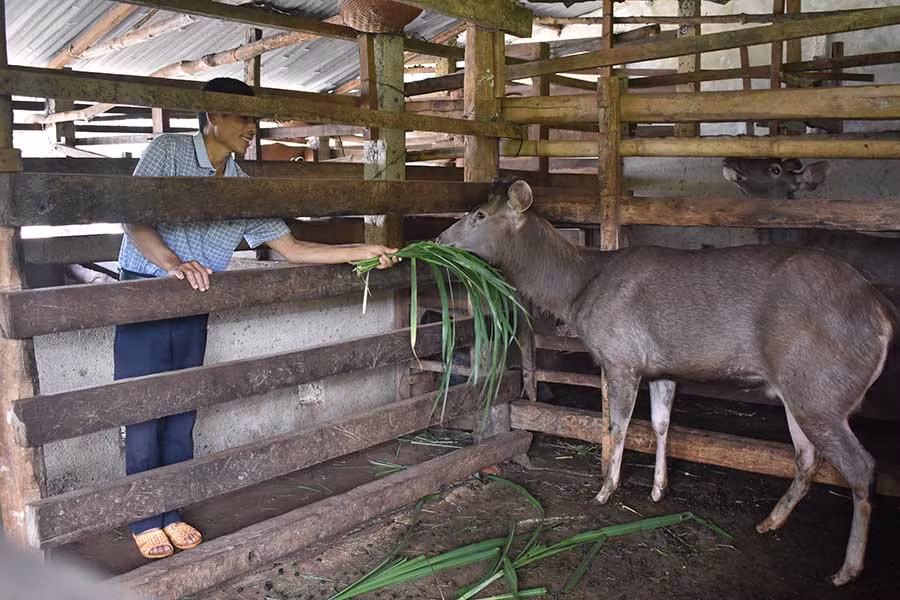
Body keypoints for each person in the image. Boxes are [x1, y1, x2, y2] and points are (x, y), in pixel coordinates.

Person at [117, 77, 398, 560]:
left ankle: (171, 509)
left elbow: (291, 248)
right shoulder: (169, 151)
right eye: (243, 118)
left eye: (254, 120)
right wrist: (171, 263)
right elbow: (134, 216)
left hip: (194, 298)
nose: (251, 128)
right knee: (142, 406)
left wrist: (363, 250)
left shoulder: (241, 189)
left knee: (182, 405)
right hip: (147, 290)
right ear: (214, 117)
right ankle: (144, 516)